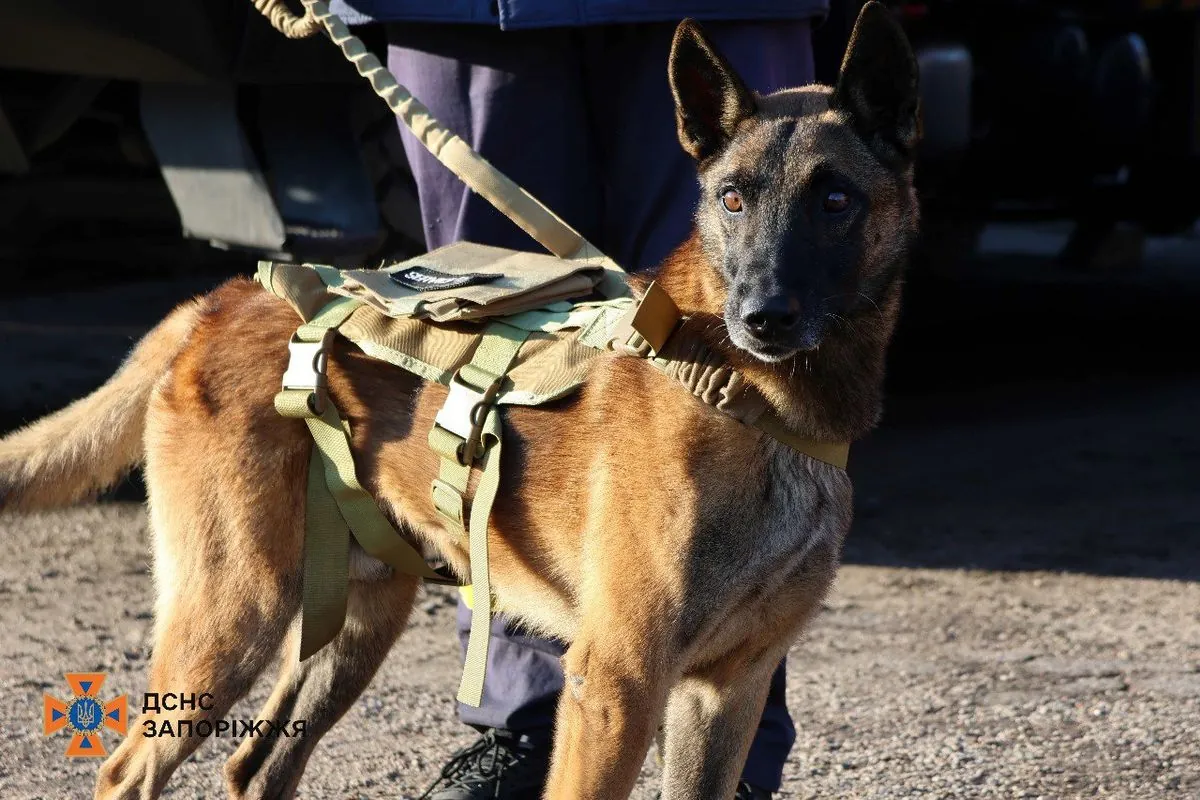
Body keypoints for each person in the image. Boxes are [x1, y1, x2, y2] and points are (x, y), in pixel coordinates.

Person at [329, 2, 827, 797]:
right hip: (470, 10)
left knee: (738, 343)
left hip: (727, 9)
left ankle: (728, 756)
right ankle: (528, 725)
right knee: (500, 365)